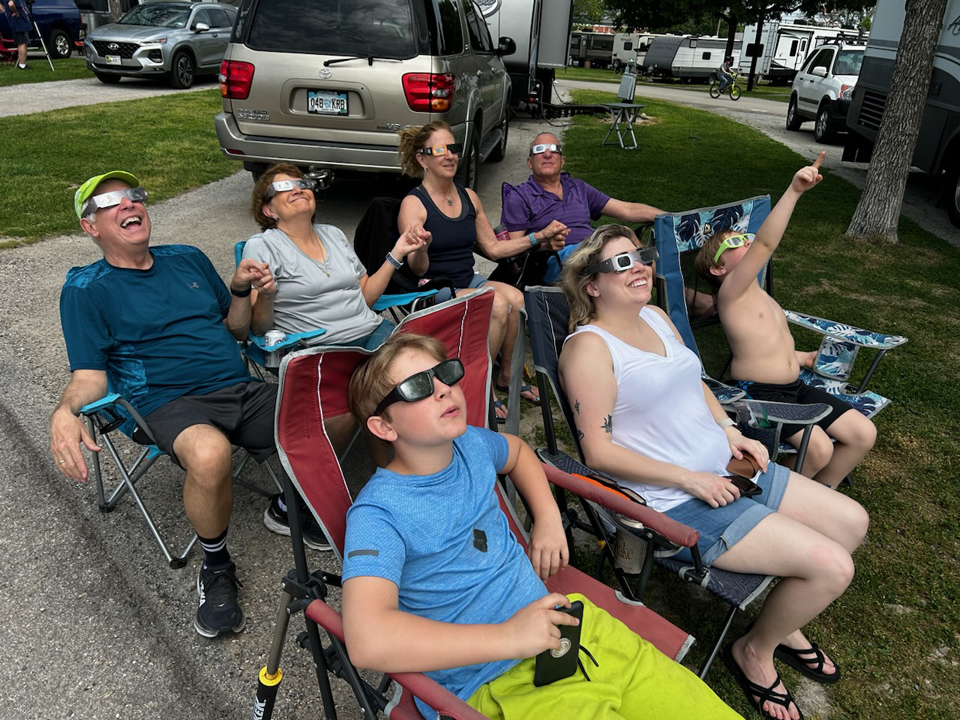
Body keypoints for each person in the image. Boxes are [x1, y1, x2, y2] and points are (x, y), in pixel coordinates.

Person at [341, 332, 742, 720]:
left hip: (569, 627)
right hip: (493, 682)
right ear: (384, 428)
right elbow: (368, 640)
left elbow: (516, 452)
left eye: (444, 374)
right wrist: (510, 637)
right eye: (416, 387)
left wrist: (549, 518)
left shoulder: (471, 446)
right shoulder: (378, 515)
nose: (443, 390)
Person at [559, 224, 870, 720]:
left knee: (853, 522)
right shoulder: (590, 348)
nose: (638, 266)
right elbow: (596, 451)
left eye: (639, 256)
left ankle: (780, 619)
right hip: (675, 499)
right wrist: (690, 479)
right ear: (591, 284)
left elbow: (694, 378)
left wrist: (729, 429)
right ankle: (754, 653)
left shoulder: (658, 316)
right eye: (620, 263)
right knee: (833, 567)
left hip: (725, 467)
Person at [49, 170, 326, 640]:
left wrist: (242, 290)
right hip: (159, 401)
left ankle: (288, 503)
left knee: (327, 406)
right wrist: (65, 411)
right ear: (90, 226)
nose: (128, 204)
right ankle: (215, 566)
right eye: (110, 202)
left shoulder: (188, 259)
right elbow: (90, 377)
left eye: (134, 195)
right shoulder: (86, 289)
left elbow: (236, 330)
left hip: (235, 386)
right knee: (210, 453)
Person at [694, 154, 876, 489]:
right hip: (760, 399)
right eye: (735, 242)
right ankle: (776, 495)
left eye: (744, 236)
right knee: (817, 449)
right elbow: (765, 242)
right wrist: (793, 190)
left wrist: (802, 358)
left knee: (863, 433)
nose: (747, 241)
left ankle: (824, 494)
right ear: (718, 270)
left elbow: (767, 346)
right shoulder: (731, 292)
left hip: (796, 388)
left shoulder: (759, 292)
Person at [398, 121, 554, 416]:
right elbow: (418, 270)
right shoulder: (413, 204)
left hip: (468, 280)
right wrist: (421, 246)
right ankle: (479, 386)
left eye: (453, 149)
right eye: (440, 150)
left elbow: (494, 249)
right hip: (433, 288)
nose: (450, 156)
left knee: (517, 300)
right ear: (422, 159)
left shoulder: (468, 196)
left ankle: (507, 373)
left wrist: (538, 237)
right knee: (495, 304)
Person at [242, 163, 430, 349]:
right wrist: (266, 296)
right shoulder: (263, 246)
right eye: (284, 187)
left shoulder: (333, 235)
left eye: (304, 184)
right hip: (319, 348)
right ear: (269, 210)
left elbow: (365, 297)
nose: (298, 189)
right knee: (405, 371)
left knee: (430, 356)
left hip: (373, 333)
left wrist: (396, 253)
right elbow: (259, 328)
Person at [499, 132, 665, 282]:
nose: (547, 154)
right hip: (554, 261)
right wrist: (543, 243)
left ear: (562, 161)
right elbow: (514, 250)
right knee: (621, 247)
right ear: (530, 162)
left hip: (596, 250)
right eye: (539, 150)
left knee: (625, 241)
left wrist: (670, 217)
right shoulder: (519, 196)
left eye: (554, 149)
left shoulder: (578, 187)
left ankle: (675, 294)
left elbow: (627, 210)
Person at [4, 0, 31, 69]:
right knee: (23, 43)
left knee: (20, 43)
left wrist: (6, 12)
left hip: (15, 22)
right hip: (19, 22)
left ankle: (21, 64)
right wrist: (16, 12)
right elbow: (11, 3)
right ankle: (22, 65)